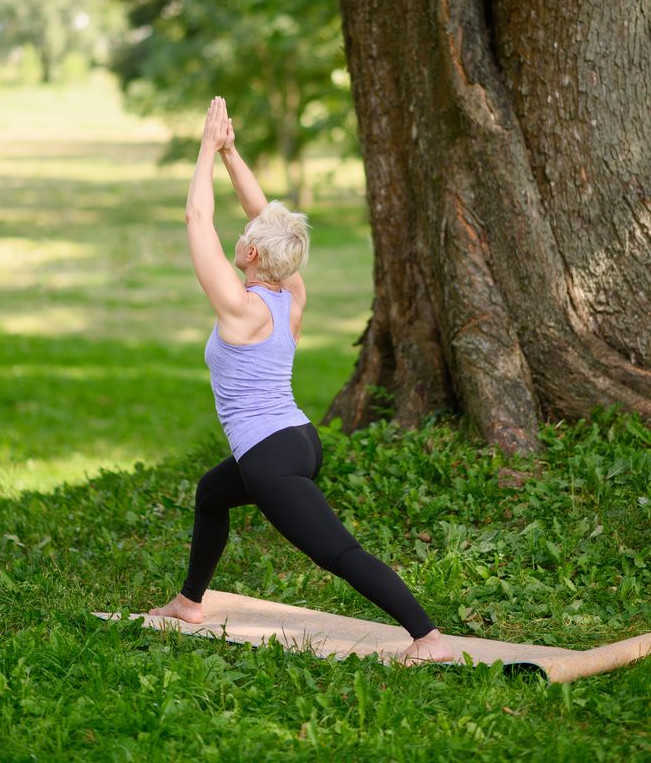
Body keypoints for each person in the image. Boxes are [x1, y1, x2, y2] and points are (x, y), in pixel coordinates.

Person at [149, 96, 454, 665]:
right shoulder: (289, 291)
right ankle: (189, 602)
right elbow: (265, 216)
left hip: (271, 458)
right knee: (211, 494)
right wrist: (231, 153)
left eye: (247, 236)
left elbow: (197, 219)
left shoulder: (241, 309)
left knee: (337, 551)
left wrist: (203, 150)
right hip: (297, 439)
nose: (241, 233)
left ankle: (427, 635)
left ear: (253, 253)